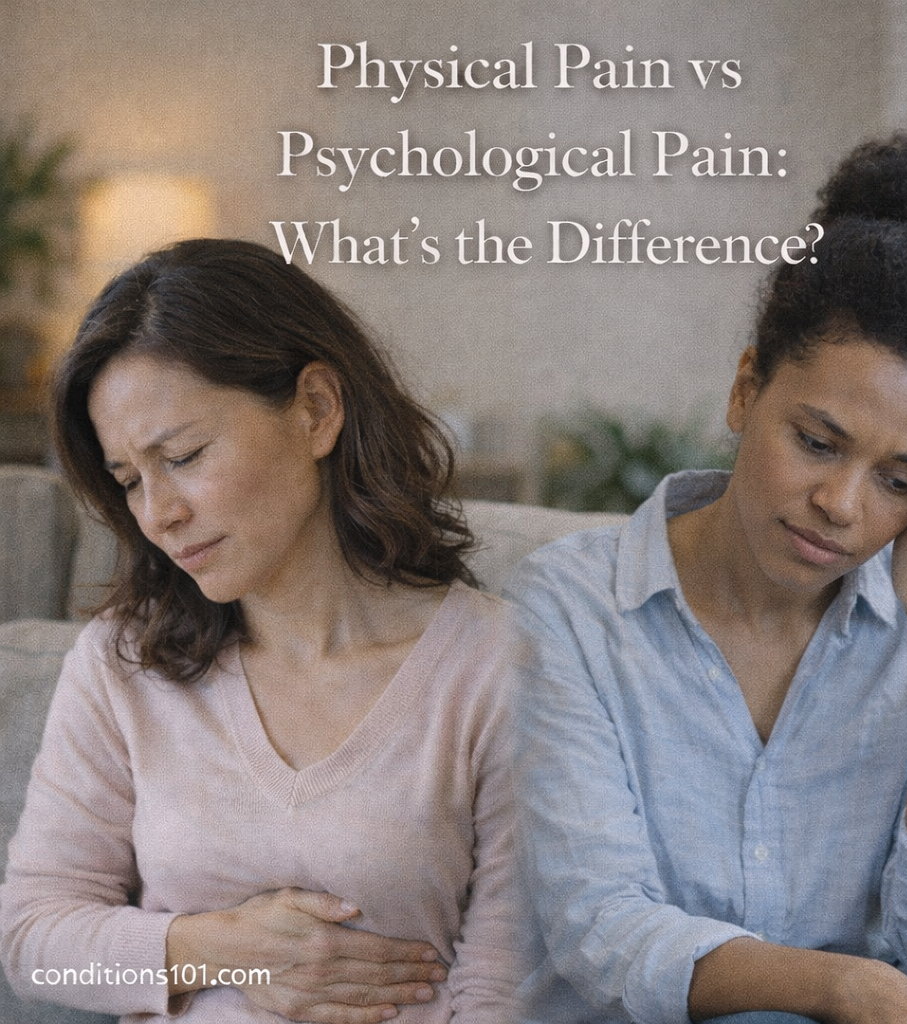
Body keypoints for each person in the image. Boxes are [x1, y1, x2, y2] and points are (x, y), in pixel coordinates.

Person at [506, 126, 907, 1024]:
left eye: (900, 480)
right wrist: (839, 985)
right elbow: (602, 928)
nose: (840, 504)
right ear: (746, 388)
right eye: (817, 443)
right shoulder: (565, 608)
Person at [0, 239, 518, 1023]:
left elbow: (510, 988)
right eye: (130, 480)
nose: (158, 514)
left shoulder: (505, 668)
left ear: (317, 410)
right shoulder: (123, 662)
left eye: (184, 456)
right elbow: (32, 937)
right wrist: (226, 948)